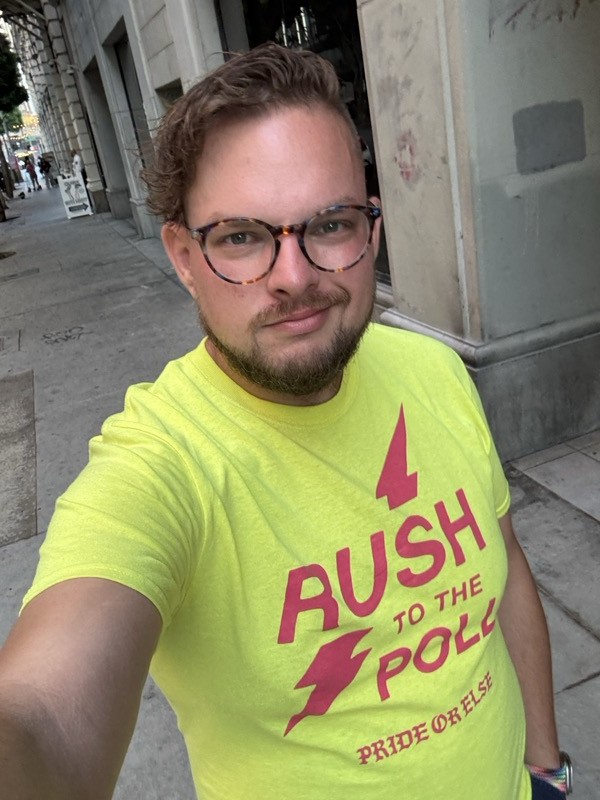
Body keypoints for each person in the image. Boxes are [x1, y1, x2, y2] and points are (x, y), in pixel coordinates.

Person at [0, 44, 571, 800]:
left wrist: (546, 764)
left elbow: (505, 573)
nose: (294, 278)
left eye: (329, 223)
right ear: (183, 254)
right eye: (241, 237)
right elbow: (41, 714)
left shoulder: (433, 371)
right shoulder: (161, 467)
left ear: (371, 228)